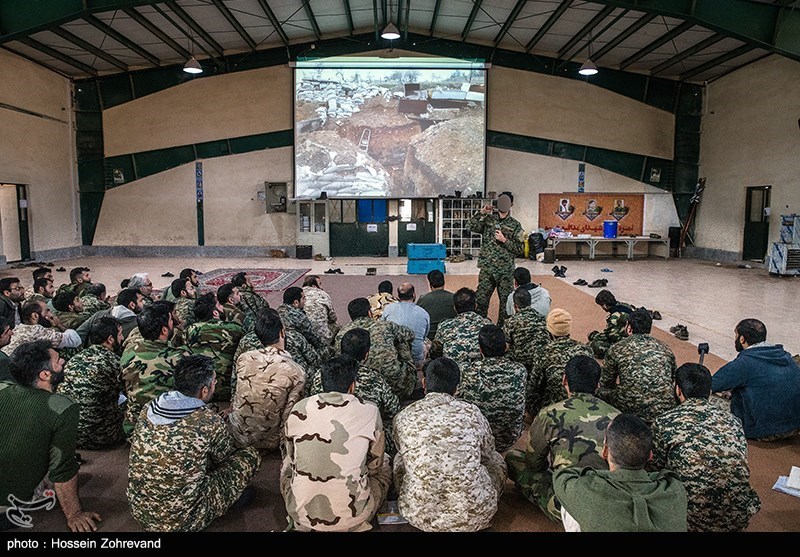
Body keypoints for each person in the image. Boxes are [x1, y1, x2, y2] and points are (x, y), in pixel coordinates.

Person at [127, 354, 261, 532]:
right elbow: (225, 457)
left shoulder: (149, 408)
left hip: (140, 510)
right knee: (250, 456)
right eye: (213, 382)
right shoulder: (207, 421)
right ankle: (229, 498)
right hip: (182, 521)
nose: (215, 385)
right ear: (204, 391)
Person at [393, 357, 507, 532]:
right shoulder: (472, 413)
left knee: (399, 459)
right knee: (497, 460)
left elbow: (402, 450)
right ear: (456, 388)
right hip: (474, 516)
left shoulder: (404, 416)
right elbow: (487, 453)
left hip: (418, 515)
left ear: (424, 383)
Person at [281, 354, 391, 532]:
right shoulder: (369, 411)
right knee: (385, 461)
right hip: (353, 518)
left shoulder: (299, 408)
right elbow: (375, 464)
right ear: (352, 386)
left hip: (301, 516)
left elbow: (292, 457)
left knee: (287, 463)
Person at [0, 340, 101, 532]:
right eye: (57, 360)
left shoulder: (2, 387)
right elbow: (62, 468)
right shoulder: (62, 408)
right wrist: (74, 514)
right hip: (8, 507)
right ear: (45, 374)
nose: (62, 361)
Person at [505, 355, 619, 522]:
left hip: (568, 508)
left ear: (564, 380)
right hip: (612, 506)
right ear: (598, 384)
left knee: (513, 457)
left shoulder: (549, 414)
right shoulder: (617, 417)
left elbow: (533, 463)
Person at [650, 363, 761, 532]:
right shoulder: (733, 421)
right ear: (709, 393)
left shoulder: (665, 422)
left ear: (678, 390)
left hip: (689, 521)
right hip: (737, 518)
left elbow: (654, 470)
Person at [553, 413, 688, 532]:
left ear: (605, 452)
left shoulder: (586, 490)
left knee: (569, 506)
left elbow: (562, 476)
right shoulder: (675, 489)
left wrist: (609, 476)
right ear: (650, 455)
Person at [306, 328, 401, 456]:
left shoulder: (321, 374)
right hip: (362, 441)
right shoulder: (374, 378)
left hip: (326, 434)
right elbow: (394, 409)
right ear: (366, 355)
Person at [228, 307, 306, 451]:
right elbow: (288, 415)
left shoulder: (244, 358)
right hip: (270, 442)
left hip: (237, 434)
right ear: (282, 332)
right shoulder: (296, 371)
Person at [711, 318, 800, 440]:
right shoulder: (786, 356)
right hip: (794, 425)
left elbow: (710, 385)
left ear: (742, 339)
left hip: (763, 430)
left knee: (706, 398)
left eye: (736, 335)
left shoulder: (743, 363)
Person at [120, 301, 190, 437]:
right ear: (164, 330)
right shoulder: (180, 357)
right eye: (171, 320)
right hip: (167, 433)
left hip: (135, 430)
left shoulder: (128, 354)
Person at [597, 309, 677, 425]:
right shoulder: (665, 348)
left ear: (629, 328)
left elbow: (606, 383)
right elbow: (672, 378)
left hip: (631, 408)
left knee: (600, 390)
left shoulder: (617, 348)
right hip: (665, 407)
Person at [57, 317, 125, 449]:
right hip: (103, 436)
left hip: (72, 435)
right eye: (120, 334)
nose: (122, 338)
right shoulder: (115, 362)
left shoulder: (75, 359)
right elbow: (129, 391)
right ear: (110, 339)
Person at [457, 324, 526, 452]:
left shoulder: (466, 371)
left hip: (476, 440)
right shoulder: (519, 370)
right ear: (505, 347)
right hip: (509, 439)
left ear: (480, 350)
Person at [335, 297, 416, 400]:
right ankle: (409, 375)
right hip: (397, 387)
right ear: (369, 312)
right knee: (401, 340)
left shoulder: (342, 334)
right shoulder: (385, 325)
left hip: (358, 389)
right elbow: (410, 335)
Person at [465, 191, 524, 326]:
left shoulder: (516, 225)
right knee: (481, 300)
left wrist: (504, 240)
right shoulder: (488, 219)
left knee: (505, 304)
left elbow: (520, 249)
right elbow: (470, 226)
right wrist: (482, 213)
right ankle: (479, 328)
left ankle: (502, 332)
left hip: (505, 271)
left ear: (511, 205)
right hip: (487, 268)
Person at [526, 308, 593, 417]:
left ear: (549, 330)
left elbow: (535, 385)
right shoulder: (585, 349)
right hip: (583, 402)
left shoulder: (543, 352)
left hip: (553, 406)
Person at [184, 293, 244, 402]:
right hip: (228, 390)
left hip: (201, 391)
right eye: (220, 306)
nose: (223, 308)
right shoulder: (234, 329)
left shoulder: (189, 330)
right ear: (215, 313)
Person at [429, 287, 492, 369]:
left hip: (452, 375)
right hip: (481, 375)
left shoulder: (444, 326)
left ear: (455, 308)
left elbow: (435, 352)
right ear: (476, 306)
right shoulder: (487, 325)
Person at [1, 300, 82, 356]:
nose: (51, 314)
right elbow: (75, 340)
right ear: (35, 316)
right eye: (47, 311)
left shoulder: (18, 328)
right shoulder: (36, 330)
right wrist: (58, 324)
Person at [381, 282, 430, 368]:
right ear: (414, 295)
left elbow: (383, 329)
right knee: (427, 342)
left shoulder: (388, 309)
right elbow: (424, 336)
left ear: (398, 297)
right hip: (416, 359)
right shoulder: (423, 313)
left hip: (394, 357)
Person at [502, 287, 550, 373]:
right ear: (530, 303)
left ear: (515, 306)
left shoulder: (511, 322)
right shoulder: (543, 319)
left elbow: (506, 345)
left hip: (520, 363)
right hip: (540, 361)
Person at [76, 287, 143, 345]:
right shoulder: (137, 324)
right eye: (141, 301)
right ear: (132, 305)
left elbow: (79, 335)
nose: (144, 303)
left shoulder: (99, 314)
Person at [277, 286, 329, 357]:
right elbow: (312, 337)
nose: (305, 301)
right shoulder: (299, 317)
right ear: (296, 302)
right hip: (296, 347)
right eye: (303, 298)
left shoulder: (279, 310)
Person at [587, 289, 634, 359]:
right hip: (633, 337)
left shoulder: (615, 317)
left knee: (594, 345)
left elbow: (610, 336)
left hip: (626, 343)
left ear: (605, 305)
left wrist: (593, 335)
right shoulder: (625, 306)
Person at [416, 269, 456, 341]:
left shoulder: (423, 299)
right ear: (444, 282)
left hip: (429, 337)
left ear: (430, 284)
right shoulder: (454, 298)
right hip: (449, 337)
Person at [301, 274, 339, 346]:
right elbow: (333, 318)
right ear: (313, 286)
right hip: (322, 339)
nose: (322, 287)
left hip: (303, 337)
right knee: (336, 325)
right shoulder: (323, 294)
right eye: (320, 284)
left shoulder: (299, 294)